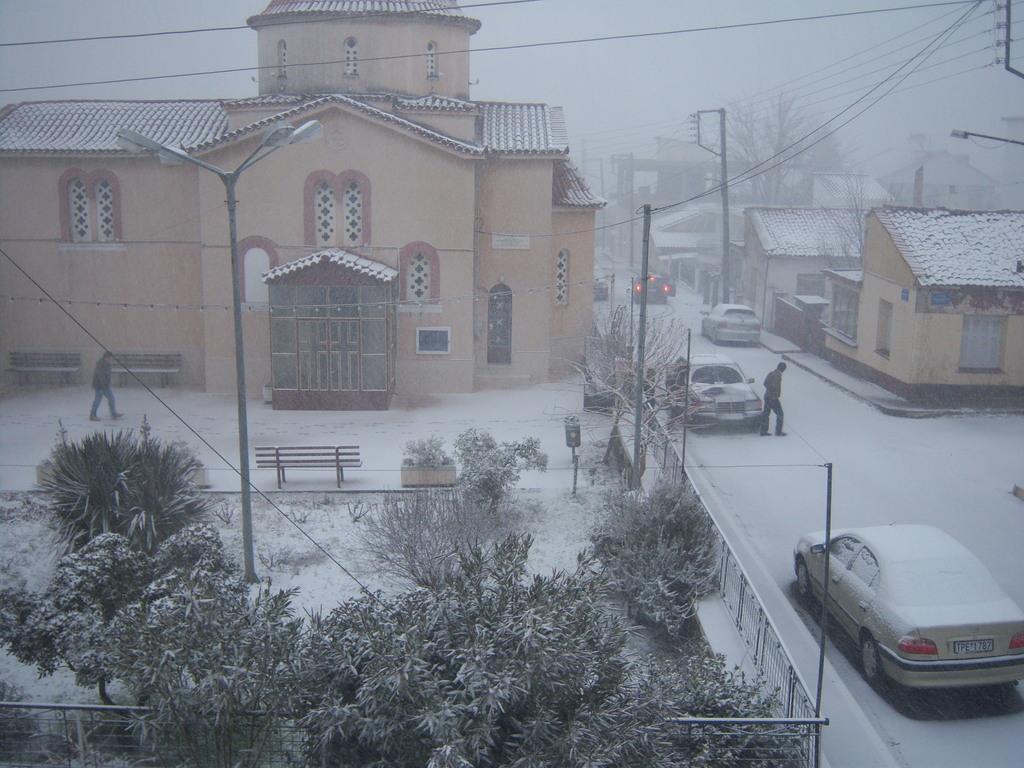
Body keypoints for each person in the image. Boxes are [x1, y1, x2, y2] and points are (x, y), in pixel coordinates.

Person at [89, 351, 122, 421]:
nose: (110, 360)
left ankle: (113, 413)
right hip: (99, 385)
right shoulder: (100, 364)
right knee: (97, 400)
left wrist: (107, 383)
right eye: (109, 358)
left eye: (111, 359)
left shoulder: (107, 364)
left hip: (105, 385)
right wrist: (105, 383)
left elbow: (107, 375)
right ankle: (92, 415)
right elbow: (100, 375)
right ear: (105, 358)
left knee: (111, 398)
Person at [760, 362, 786, 436]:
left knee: (766, 413)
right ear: (782, 368)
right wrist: (773, 391)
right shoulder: (777, 375)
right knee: (780, 413)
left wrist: (769, 389)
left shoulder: (771, 373)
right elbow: (774, 386)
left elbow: (765, 383)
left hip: (767, 396)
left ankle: (763, 431)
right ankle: (778, 431)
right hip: (773, 398)